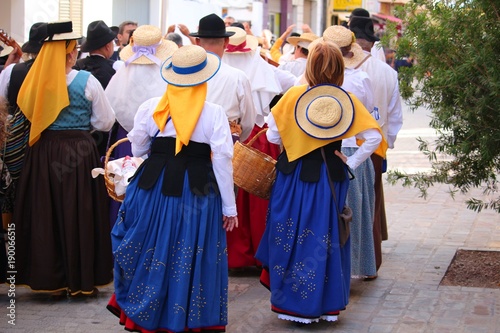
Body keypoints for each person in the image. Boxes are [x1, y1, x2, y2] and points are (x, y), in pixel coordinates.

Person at [107, 44, 237, 333]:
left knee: (152, 249)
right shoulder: (214, 113)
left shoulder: (151, 107)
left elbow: (139, 146)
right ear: (203, 80)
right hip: (198, 192)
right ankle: (186, 318)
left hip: (152, 187)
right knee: (190, 251)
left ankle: (148, 313)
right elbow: (223, 162)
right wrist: (229, 206)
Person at [255, 39, 387, 324]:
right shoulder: (345, 99)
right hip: (330, 179)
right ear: (340, 67)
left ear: (309, 66)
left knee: (288, 236)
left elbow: (272, 137)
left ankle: (291, 301)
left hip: (292, 178)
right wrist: (349, 161)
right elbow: (375, 138)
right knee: (323, 238)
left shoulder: (292, 95)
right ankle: (323, 303)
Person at [12, 21, 115, 297]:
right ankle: (79, 277)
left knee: (47, 211)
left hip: (44, 151)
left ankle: (49, 278)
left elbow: (26, 111)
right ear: (70, 53)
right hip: (78, 152)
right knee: (78, 211)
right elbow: (105, 121)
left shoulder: (35, 81)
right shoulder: (86, 81)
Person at [104, 24, 178, 227]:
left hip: (125, 139)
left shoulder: (123, 73)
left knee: (123, 184)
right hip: (161, 141)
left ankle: (121, 230)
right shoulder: (167, 75)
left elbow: (110, 107)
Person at [322, 25, 381, 279]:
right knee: (353, 216)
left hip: (335, 153)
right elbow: (368, 121)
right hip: (349, 152)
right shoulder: (360, 79)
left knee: (333, 216)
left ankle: (334, 271)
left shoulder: (309, 81)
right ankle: (353, 267)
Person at [349, 15, 403, 274]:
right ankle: (371, 264)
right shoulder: (387, 72)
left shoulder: (343, 68)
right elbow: (394, 116)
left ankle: (347, 263)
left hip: (342, 147)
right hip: (374, 147)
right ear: (371, 42)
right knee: (371, 204)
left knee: (343, 205)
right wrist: (386, 144)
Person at [0, 22, 48, 231]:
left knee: (16, 191)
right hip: (46, 141)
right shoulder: (61, 75)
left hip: (15, 142)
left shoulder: (12, 71)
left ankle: (13, 244)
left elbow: (2, 104)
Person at [190, 13, 257, 142]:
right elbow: (248, 122)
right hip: (225, 139)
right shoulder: (238, 77)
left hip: (190, 140)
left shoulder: (183, 75)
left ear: (198, 42)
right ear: (226, 42)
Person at [74, 20, 123, 157]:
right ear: (108, 46)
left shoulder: (76, 67)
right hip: (106, 133)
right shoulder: (115, 68)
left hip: (78, 131)